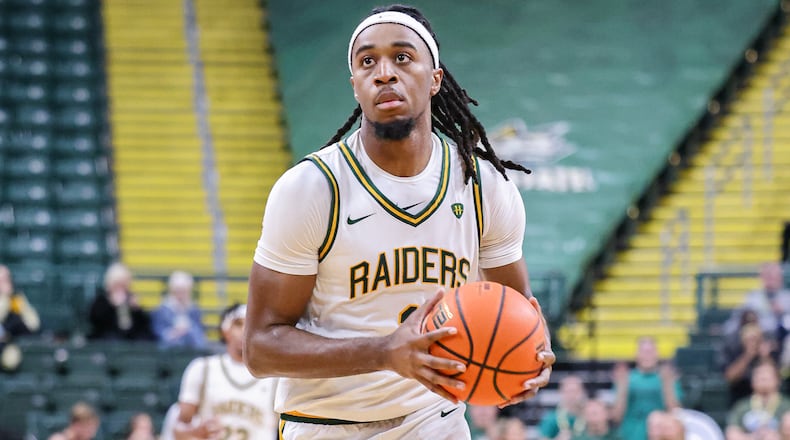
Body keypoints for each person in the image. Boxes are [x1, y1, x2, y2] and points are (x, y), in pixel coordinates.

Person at [244, 4, 554, 439]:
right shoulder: (311, 189)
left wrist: (528, 356)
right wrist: (384, 353)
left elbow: (515, 310)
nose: (384, 73)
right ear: (355, 86)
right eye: (367, 61)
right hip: (327, 425)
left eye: (402, 57)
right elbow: (260, 348)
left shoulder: (484, 187)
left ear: (435, 78)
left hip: (435, 422)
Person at [172, 303, 277, 440]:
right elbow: (178, 427)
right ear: (225, 331)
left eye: (251, 324)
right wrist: (195, 432)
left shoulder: (275, 375)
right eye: (238, 324)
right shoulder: (202, 368)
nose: (245, 330)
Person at [611, 336, 683, 440]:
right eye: (644, 351)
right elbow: (616, 416)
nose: (647, 355)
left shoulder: (668, 378)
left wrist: (667, 384)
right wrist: (622, 386)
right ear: (636, 354)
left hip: (661, 435)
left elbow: (675, 412)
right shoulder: (626, 378)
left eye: (650, 351)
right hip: (631, 434)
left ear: (657, 354)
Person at [724, 262, 790, 342]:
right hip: (758, 341)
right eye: (768, 276)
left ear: (780, 278)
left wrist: (782, 313)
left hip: (783, 340)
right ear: (762, 277)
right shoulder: (752, 298)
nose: (771, 280)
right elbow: (734, 323)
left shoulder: (787, 298)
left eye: (775, 276)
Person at [88, 262, 154, 341]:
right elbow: (96, 322)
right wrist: (112, 305)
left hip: (131, 338)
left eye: (123, 284)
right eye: (117, 284)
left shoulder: (131, 298)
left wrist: (137, 310)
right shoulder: (102, 300)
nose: (120, 288)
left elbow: (144, 324)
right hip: (108, 339)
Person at [726, 361, 790, 440]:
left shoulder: (787, 405)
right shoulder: (742, 406)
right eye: (759, 374)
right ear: (752, 381)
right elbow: (731, 434)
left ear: (778, 380)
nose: (763, 377)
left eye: (767, 374)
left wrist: (778, 437)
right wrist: (754, 438)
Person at [722, 322, 779, 405]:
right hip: (740, 397)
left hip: (767, 399)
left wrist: (765, 356)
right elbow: (730, 377)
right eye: (748, 339)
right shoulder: (735, 352)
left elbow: (775, 378)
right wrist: (748, 355)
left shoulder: (767, 354)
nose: (752, 342)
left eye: (755, 339)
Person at [151, 270, 206, 349]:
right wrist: (173, 333)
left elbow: (199, 333)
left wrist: (188, 330)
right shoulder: (162, 310)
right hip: (169, 349)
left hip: (191, 347)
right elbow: (158, 332)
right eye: (178, 290)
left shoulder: (194, 310)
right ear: (172, 290)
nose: (181, 294)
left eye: (184, 291)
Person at [0, 264, 41, 370]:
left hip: (12, 344)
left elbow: (34, 325)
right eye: (2, 280)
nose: (6, 283)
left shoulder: (17, 299)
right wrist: (4, 299)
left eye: (7, 279)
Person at [539, 374, 588, 439]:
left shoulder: (590, 416)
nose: (572, 395)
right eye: (568, 391)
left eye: (575, 391)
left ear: (583, 392)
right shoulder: (551, 418)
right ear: (560, 392)